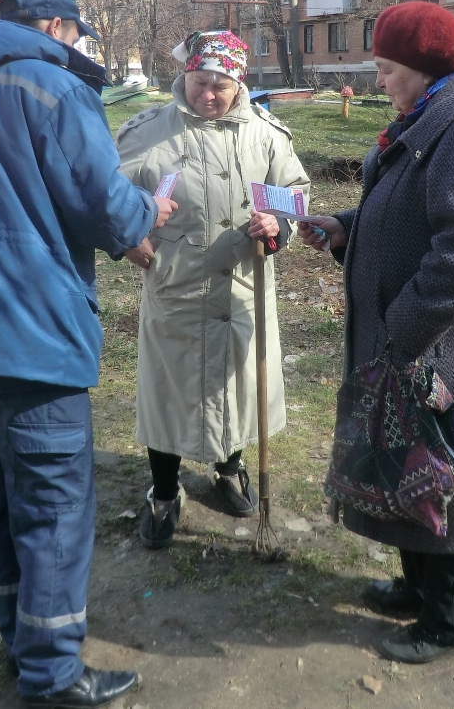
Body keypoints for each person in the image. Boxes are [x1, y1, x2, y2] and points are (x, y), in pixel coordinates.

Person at [0, 0, 177, 708]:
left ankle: (17, 644)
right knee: (54, 509)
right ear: (58, 28)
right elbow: (111, 214)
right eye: (75, 35)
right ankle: (52, 676)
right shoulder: (52, 91)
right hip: (29, 333)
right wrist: (152, 207)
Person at [299, 1, 454, 664]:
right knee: (406, 467)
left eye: (387, 68)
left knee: (445, 480)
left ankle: (452, 620)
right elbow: (400, 208)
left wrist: (400, 329)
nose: (380, 81)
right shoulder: (429, 116)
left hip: (443, 350)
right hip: (406, 345)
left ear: (424, 69)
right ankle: (415, 585)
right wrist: (347, 227)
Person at [116, 31, 310, 549]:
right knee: (169, 392)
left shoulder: (267, 134)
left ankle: (229, 468)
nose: (209, 95)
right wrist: (126, 239)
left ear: (238, 82)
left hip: (242, 288)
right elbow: (105, 193)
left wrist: (279, 226)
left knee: (236, 387)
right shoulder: (149, 132)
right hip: (176, 287)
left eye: (221, 86)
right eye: (201, 82)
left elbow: (293, 194)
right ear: (185, 76)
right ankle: (163, 490)